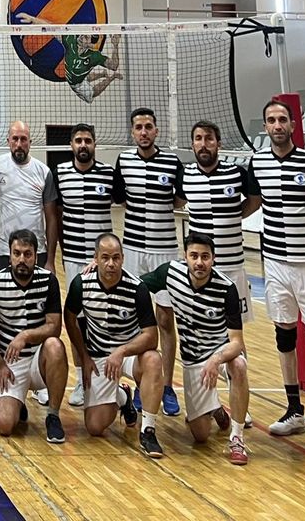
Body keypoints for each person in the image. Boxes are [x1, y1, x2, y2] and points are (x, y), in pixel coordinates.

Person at [249, 99, 305, 445]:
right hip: (275, 263)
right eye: (271, 120)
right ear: (265, 126)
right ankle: (294, 410)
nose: (277, 125)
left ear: (292, 124)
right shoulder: (257, 163)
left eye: (282, 119)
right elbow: (251, 202)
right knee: (284, 335)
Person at [140, 234, 251, 465]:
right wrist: (97, 267)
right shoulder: (170, 273)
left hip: (221, 353)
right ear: (185, 257)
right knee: (200, 435)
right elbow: (134, 284)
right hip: (192, 360)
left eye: (205, 257)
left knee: (239, 365)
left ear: (213, 258)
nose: (200, 262)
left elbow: (237, 343)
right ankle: (216, 409)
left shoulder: (227, 288)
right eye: (194, 256)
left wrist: (216, 360)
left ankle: (237, 439)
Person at [62, 234, 165, 458]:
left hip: (129, 354)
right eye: (105, 258)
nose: (111, 264)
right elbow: (69, 318)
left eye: (116, 258)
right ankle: (123, 397)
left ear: (123, 258)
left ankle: (148, 431)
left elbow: (151, 337)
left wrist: (122, 351)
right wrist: (84, 357)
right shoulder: (81, 284)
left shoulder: (137, 288)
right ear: (96, 258)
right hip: (99, 355)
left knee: (153, 359)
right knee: (94, 427)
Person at [113, 107, 184, 417]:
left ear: (156, 131)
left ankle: (166, 385)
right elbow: (119, 197)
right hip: (133, 249)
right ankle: (142, 383)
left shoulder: (172, 162)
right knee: (135, 320)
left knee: (165, 320)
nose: (143, 132)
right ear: (132, 132)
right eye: (138, 127)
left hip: (164, 250)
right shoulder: (124, 161)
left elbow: (180, 200)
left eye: (148, 127)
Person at [46, 122, 115, 406]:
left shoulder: (109, 174)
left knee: (106, 318)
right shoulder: (60, 173)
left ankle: (108, 378)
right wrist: (55, 255)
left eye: (88, 140)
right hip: (74, 258)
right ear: (71, 145)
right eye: (78, 141)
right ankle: (80, 378)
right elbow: (56, 215)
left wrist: (102, 257)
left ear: (94, 144)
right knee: (77, 319)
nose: (83, 145)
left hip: (103, 261)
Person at [0, 229, 68, 443]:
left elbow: (55, 327)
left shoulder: (48, 280)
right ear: (9, 255)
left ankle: (53, 416)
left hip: (39, 360)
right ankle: (18, 404)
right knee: (3, 425)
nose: (22, 259)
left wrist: (25, 335)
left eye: (27, 254)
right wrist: (0, 365)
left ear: (36, 256)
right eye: (16, 253)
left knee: (55, 345)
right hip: (11, 364)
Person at [178, 121, 261, 322]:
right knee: (201, 324)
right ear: (192, 145)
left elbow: (255, 201)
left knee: (235, 326)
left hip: (233, 265)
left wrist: (234, 215)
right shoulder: (185, 175)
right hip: (200, 267)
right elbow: (176, 201)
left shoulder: (236, 173)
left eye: (209, 139)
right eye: (198, 139)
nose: (203, 144)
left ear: (219, 144)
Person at [0, 121, 59, 274]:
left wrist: (50, 260)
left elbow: (51, 218)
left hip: (36, 252)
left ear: (30, 142)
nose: (19, 144)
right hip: (3, 252)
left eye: (23, 139)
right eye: (15, 139)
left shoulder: (43, 172)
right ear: (8, 141)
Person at [15, 12, 123, 102]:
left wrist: (115, 45)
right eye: (83, 34)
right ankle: (102, 74)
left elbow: (113, 65)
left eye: (86, 38)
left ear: (90, 44)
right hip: (75, 75)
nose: (81, 37)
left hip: (77, 83)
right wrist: (33, 19)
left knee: (91, 93)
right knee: (85, 78)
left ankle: (111, 78)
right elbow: (51, 28)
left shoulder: (94, 56)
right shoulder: (70, 41)